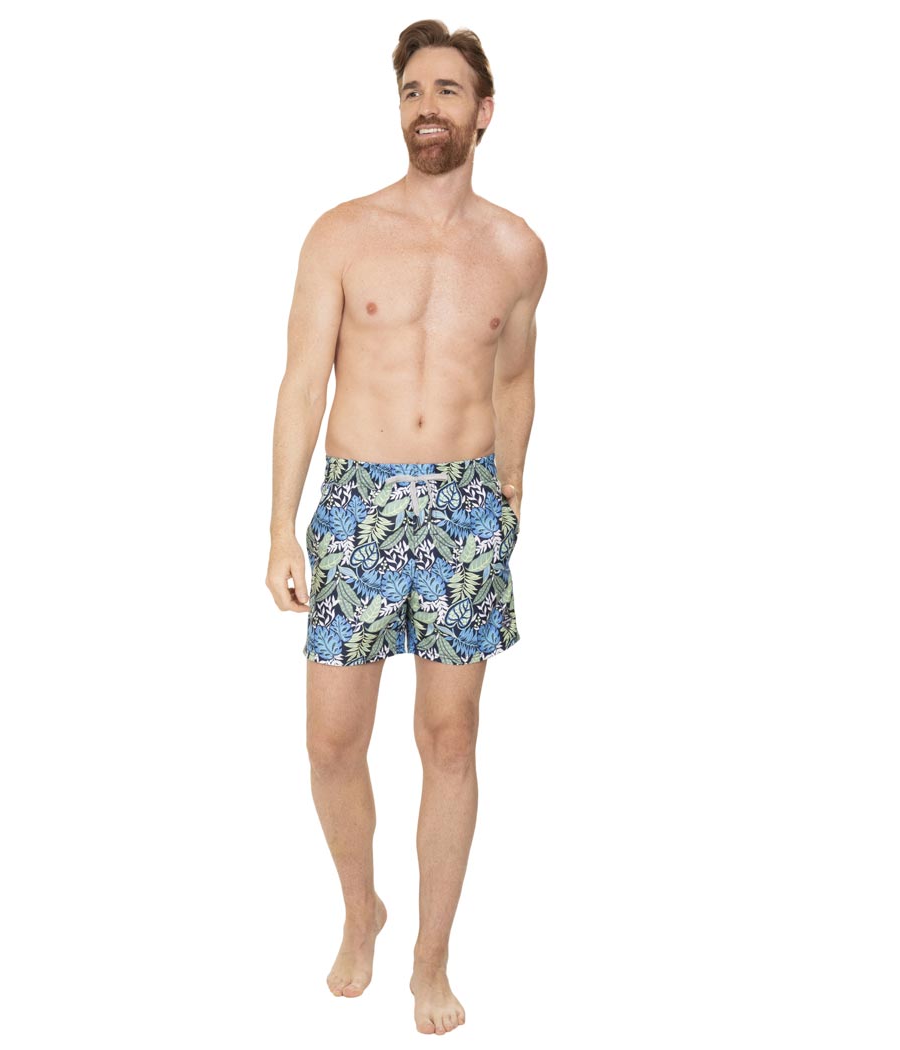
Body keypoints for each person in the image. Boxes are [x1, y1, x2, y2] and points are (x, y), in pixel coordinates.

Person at [266, 19, 547, 1037]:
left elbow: (515, 375)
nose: (427, 108)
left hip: (466, 510)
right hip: (356, 508)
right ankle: (362, 911)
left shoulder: (516, 249)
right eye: (412, 91)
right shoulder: (341, 233)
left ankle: (432, 958)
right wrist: (281, 527)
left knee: (451, 740)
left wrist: (510, 491)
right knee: (331, 744)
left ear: (483, 111)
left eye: (447, 91)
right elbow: (303, 385)